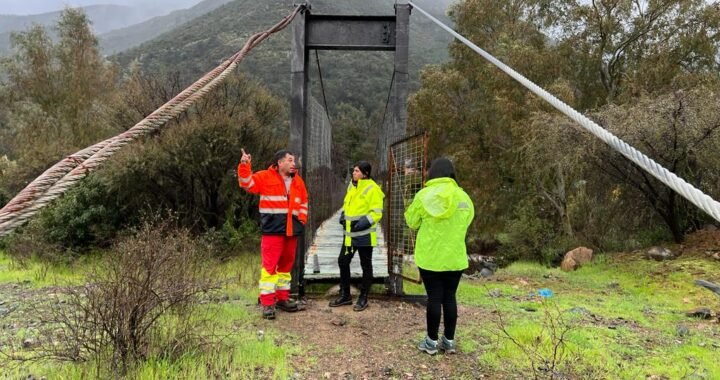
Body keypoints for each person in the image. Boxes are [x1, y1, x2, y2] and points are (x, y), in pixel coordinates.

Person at [404, 158, 474, 355]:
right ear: (451, 174)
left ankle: (431, 342)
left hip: (430, 258)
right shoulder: (463, 197)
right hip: (455, 257)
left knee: (434, 297)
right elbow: (468, 220)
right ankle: (449, 342)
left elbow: (411, 221)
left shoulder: (424, 195)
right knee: (449, 297)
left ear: (432, 173)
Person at [238, 148, 309, 320]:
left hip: (292, 230)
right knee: (269, 267)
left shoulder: (297, 181)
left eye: (294, 160)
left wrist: (301, 221)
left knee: (285, 266)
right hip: (272, 230)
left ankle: (283, 298)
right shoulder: (264, 177)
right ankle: (268, 303)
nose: (294, 163)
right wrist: (244, 164)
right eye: (290, 160)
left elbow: (304, 201)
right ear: (280, 162)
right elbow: (246, 183)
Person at [329, 161, 384, 311]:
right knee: (343, 261)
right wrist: (343, 215)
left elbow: (377, 212)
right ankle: (345, 295)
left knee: (366, 266)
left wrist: (364, 222)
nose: (354, 173)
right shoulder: (351, 186)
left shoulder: (373, 189)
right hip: (349, 235)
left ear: (365, 174)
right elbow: (348, 204)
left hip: (364, 235)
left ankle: (363, 298)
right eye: (354, 171)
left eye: (357, 171)